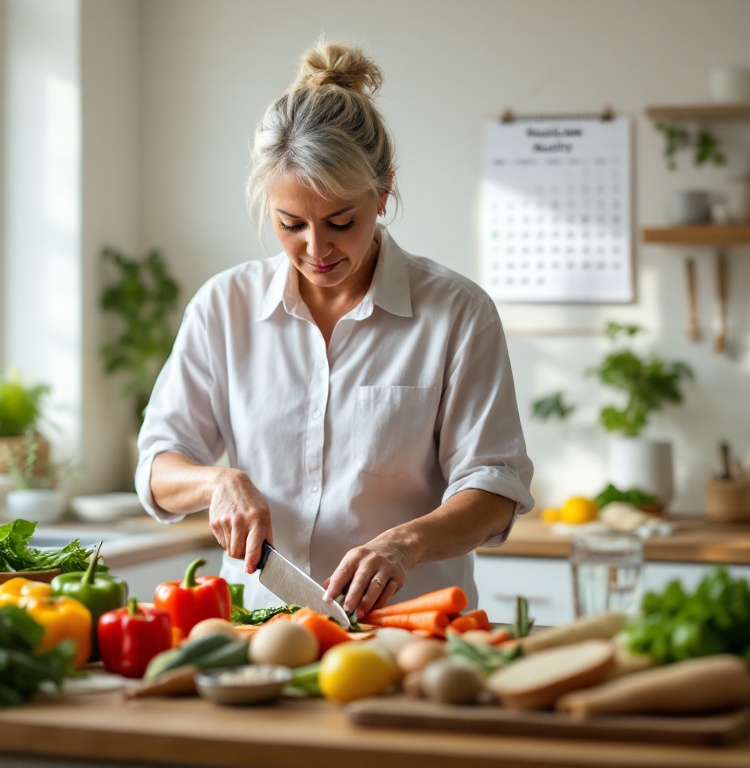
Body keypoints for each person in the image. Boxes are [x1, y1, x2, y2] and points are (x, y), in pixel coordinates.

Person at [135, 40, 533, 620]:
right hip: (258, 632)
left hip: (408, 629)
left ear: (384, 191)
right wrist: (217, 483)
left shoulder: (457, 313)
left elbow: (495, 488)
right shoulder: (224, 307)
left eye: (341, 222)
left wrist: (406, 543)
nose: (316, 249)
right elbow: (158, 466)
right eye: (290, 224)